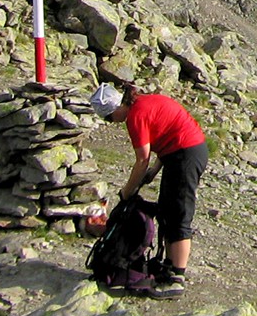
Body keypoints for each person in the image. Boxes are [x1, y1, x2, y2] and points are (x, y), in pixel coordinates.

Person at [89, 81, 208, 298]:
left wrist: (126, 192)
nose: (111, 122)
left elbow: (141, 160)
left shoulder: (135, 117)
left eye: (108, 117)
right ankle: (169, 267)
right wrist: (154, 172)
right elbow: (164, 136)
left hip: (186, 154)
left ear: (115, 108)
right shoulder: (142, 103)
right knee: (167, 209)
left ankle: (177, 279)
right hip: (181, 152)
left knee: (179, 213)